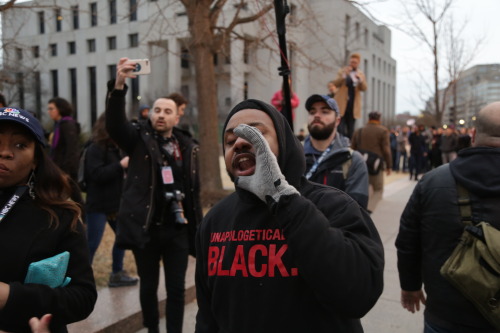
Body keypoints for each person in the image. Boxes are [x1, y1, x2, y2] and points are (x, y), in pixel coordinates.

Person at [195, 99, 384, 332]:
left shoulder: (335, 205)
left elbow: (359, 294)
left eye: (255, 133)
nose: (240, 143)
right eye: (230, 141)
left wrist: (282, 198)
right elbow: (207, 316)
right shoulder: (214, 221)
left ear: (284, 143)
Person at [105, 58, 202, 333]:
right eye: (156, 110)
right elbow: (114, 124)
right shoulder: (137, 139)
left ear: (177, 117)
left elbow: (194, 193)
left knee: (176, 290)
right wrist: (119, 84)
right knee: (148, 288)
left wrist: (198, 229)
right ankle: (152, 330)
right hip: (145, 228)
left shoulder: (188, 146)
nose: (160, 114)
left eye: (166, 111)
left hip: (177, 230)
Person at [395, 101, 500, 333]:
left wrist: (410, 286)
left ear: (472, 134)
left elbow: (408, 241)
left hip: (445, 314)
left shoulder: (433, 181)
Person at [0, 107, 97, 332]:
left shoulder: (60, 217)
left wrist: (11, 296)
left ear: (35, 160)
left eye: (20, 145)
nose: (4, 152)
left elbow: (82, 298)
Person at [84, 113, 138, 288]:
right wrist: (120, 165)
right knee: (92, 243)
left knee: (122, 238)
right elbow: (96, 174)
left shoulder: (119, 148)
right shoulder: (95, 148)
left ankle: (117, 273)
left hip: (116, 203)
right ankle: (80, 277)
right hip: (98, 204)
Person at [303, 94, 369, 209]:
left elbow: (356, 212)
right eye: (312, 112)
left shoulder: (353, 160)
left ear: (337, 121)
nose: (317, 116)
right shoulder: (293, 155)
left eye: (325, 112)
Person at [351, 111, 392, 213]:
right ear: (379, 119)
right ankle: (368, 210)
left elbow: (352, 148)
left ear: (368, 118)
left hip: (360, 163)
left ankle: (359, 208)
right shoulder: (383, 131)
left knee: (362, 187)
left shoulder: (359, 130)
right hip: (375, 165)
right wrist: (389, 166)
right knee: (378, 189)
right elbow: (386, 150)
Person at [333, 53, 367, 139]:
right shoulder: (342, 71)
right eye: (351, 62)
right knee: (340, 127)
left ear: (358, 63)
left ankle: (349, 146)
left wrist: (361, 80)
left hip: (353, 106)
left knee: (351, 129)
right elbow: (336, 83)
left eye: (355, 62)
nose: (352, 64)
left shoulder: (360, 74)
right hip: (342, 104)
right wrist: (344, 75)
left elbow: (364, 88)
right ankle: (340, 143)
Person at [47, 97, 81, 182]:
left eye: (51, 109)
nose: (49, 112)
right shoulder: (58, 125)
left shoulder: (67, 124)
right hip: (57, 167)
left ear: (60, 109)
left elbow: (72, 149)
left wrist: (67, 171)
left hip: (65, 170)